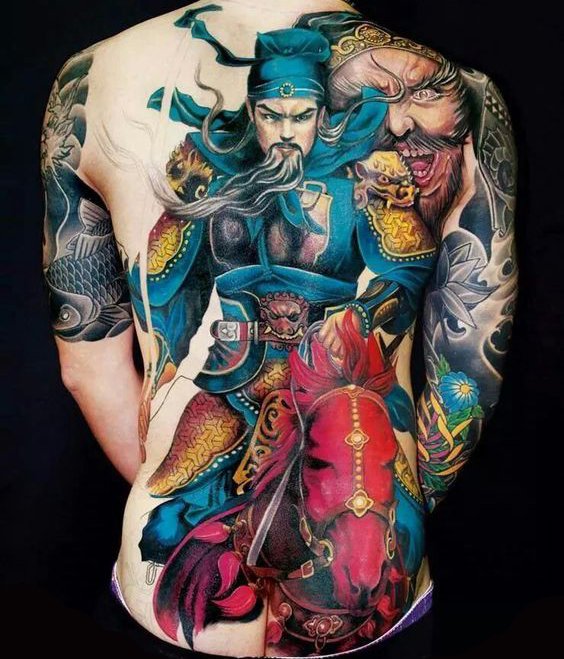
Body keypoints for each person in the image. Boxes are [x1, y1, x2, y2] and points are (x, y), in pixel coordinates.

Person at [40, 0, 518, 657]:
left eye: (301, 115)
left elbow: (89, 369)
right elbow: (471, 365)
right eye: (271, 115)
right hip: (232, 379)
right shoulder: (209, 183)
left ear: (323, 113)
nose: (286, 132)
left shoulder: (93, 79)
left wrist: (373, 498)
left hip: (339, 379)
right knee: (184, 475)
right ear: (252, 112)